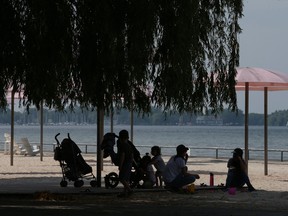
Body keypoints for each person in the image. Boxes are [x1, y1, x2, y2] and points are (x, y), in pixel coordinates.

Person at [117, 130, 134, 197]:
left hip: (125, 163)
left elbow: (122, 156)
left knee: (122, 178)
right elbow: (132, 155)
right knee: (126, 179)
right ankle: (124, 192)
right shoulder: (129, 145)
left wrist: (120, 165)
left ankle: (130, 190)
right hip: (129, 163)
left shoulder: (122, 145)